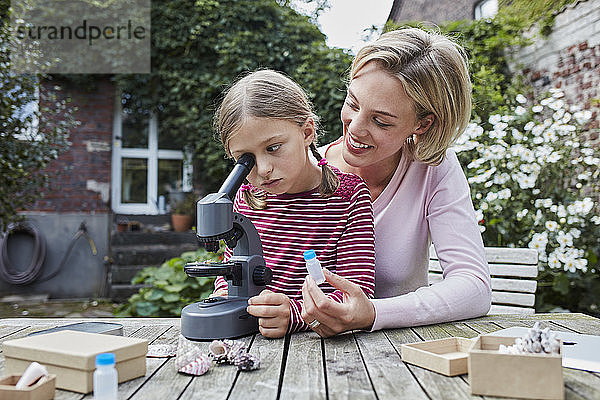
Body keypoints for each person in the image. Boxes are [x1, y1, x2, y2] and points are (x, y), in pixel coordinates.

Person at [300, 27, 492, 337]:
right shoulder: (303, 171)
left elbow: (474, 286)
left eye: (381, 121)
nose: (356, 128)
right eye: (352, 103)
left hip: (403, 353)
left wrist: (373, 313)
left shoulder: (433, 170)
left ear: (422, 124)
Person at [212, 69, 376, 338]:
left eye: (274, 147)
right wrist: (223, 294)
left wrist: (294, 314)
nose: (263, 169)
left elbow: (357, 293)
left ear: (307, 132)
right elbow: (232, 272)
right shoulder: (245, 200)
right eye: (245, 158)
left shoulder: (349, 197)